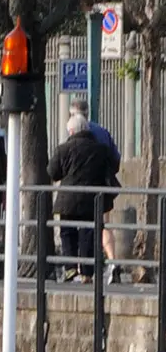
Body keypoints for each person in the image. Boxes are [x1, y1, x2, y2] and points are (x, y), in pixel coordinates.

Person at [49, 112, 119, 281]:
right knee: (88, 233)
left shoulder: (64, 149)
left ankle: (70, 268)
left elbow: (53, 172)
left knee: (67, 232)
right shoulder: (101, 149)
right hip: (92, 199)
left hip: (68, 199)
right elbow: (113, 166)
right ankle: (87, 272)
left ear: (71, 132)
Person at [69, 98, 123, 280]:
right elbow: (116, 158)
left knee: (80, 227)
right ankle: (113, 262)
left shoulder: (74, 131)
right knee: (102, 225)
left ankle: (85, 270)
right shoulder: (102, 131)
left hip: (80, 189)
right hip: (102, 185)